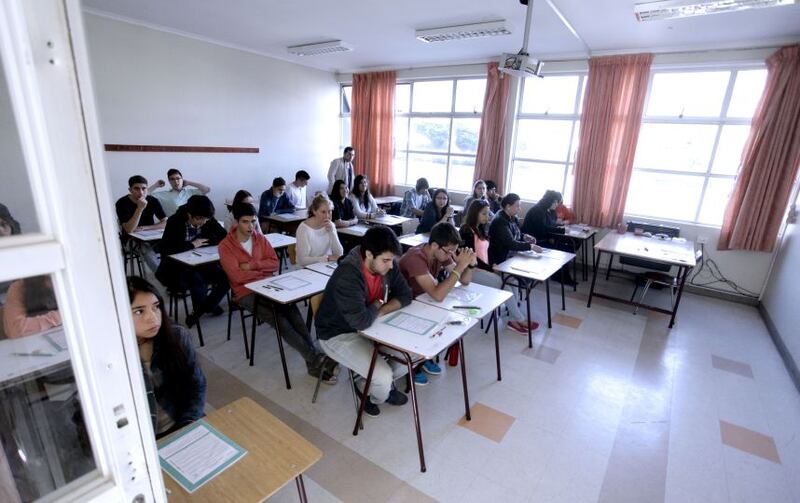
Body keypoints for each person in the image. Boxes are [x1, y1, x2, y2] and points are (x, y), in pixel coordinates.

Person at [219, 202, 336, 383]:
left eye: (253, 221)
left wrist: (252, 266)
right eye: (245, 222)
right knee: (280, 320)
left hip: (269, 284)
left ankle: (313, 360)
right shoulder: (225, 246)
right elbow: (236, 276)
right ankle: (315, 359)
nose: (250, 226)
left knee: (293, 312)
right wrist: (261, 271)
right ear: (236, 222)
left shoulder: (259, 238)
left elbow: (274, 263)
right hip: (245, 292)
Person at [315, 226, 412, 417]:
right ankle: (373, 392)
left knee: (408, 358)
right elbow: (360, 322)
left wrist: (380, 309)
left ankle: (364, 382)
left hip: (372, 325)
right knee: (383, 378)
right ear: (368, 254)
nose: (391, 266)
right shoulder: (348, 275)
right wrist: (376, 305)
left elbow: (406, 294)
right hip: (338, 333)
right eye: (386, 260)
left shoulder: (386, 264)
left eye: (392, 260)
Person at [127, 276, 206, 438]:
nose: (153, 317)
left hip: (183, 421)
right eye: (139, 311)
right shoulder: (109, 355)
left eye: (156, 307)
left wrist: (189, 423)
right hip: (140, 438)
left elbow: (196, 384)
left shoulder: (176, 335)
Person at [399, 223, 476, 384]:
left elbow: (465, 280)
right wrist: (460, 266)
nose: (451, 255)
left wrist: (470, 264)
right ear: (434, 245)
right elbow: (438, 295)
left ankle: (422, 357)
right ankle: (414, 364)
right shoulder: (415, 258)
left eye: (453, 251)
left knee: (448, 321)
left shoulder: (441, 253)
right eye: (449, 251)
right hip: (403, 305)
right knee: (437, 318)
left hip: (422, 301)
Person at [460, 200, 538, 333]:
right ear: (474, 213)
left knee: (512, 280)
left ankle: (512, 318)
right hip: (471, 271)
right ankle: (520, 319)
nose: (487, 217)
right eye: (484, 214)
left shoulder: (481, 228)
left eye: (488, 213)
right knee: (505, 286)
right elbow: (472, 258)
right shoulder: (467, 230)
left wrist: (494, 265)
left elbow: (488, 252)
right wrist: (491, 269)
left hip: (485, 268)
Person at [156, 195, 229, 327]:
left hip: (201, 262)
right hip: (177, 268)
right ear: (189, 214)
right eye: (199, 219)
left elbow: (224, 236)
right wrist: (192, 245)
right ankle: (206, 307)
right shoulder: (174, 221)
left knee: (226, 277)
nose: (203, 222)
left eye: (206, 219)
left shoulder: (206, 218)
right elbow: (166, 249)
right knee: (197, 279)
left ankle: (203, 309)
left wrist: (205, 242)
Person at [521, 190, 577, 286]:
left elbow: (552, 224)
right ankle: (560, 277)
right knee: (563, 250)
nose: (557, 205)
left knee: (571, 244)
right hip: (535, 241)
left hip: (544, 238)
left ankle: (557, 274)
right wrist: (561, 230)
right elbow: (543, 229)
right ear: (551, 201)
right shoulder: (538, 210)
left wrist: (560, 227)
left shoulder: (548, 209)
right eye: (556, 202)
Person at [115, 175, 167, 273]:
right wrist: (140, 208)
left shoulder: (153, 200)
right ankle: (163, 276)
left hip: (151, 236)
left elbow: (166, 222)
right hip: (131, 240)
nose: (141, 192)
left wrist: (146, 228)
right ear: (130, 190)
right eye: (136, 189)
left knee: (174, 241)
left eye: (144, 188)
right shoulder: (122, 203)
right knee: (144, 247)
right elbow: (129, 229)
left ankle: (177, 274)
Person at [488, 193, 544, 267]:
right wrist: (531, 246)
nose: (519, 208)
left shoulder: (513, 217)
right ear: (508, 206)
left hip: (512, 255)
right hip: (501, 260)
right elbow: (511, 244)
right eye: (517, 206)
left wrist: (524, 237)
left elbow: (516, 234)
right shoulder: (500, 221)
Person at [296, 194, 344, 266]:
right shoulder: (304, 229)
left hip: (325, 265)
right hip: (307, 268)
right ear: (314, 211)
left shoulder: (330, 225)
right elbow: (302, 260)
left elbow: (339, 254)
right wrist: (327, 258)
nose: (327, 216)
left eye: (329, 211)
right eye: (323, 212)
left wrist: (332, 232)